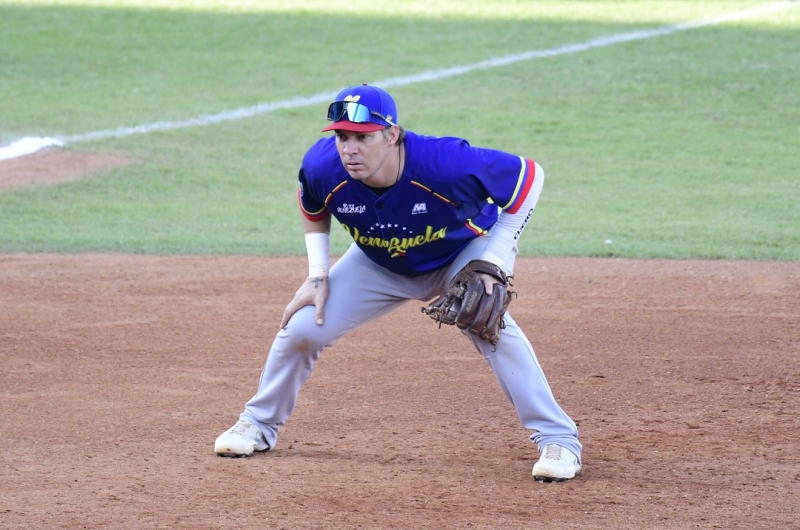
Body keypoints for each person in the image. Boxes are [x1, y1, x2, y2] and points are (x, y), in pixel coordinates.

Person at [214, 84, 582, 481]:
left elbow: (529, 178)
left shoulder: (443, 162)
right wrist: (317, 275)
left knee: (490, 328)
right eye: (341, 137)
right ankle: (258, 425)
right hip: (379, 263)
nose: (349, 149)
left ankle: (559, 441)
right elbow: (312, 205)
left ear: (391, 135)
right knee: (304, 327)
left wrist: (494, 261)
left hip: (460, 252)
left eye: (363, 137)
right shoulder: (324, 167)